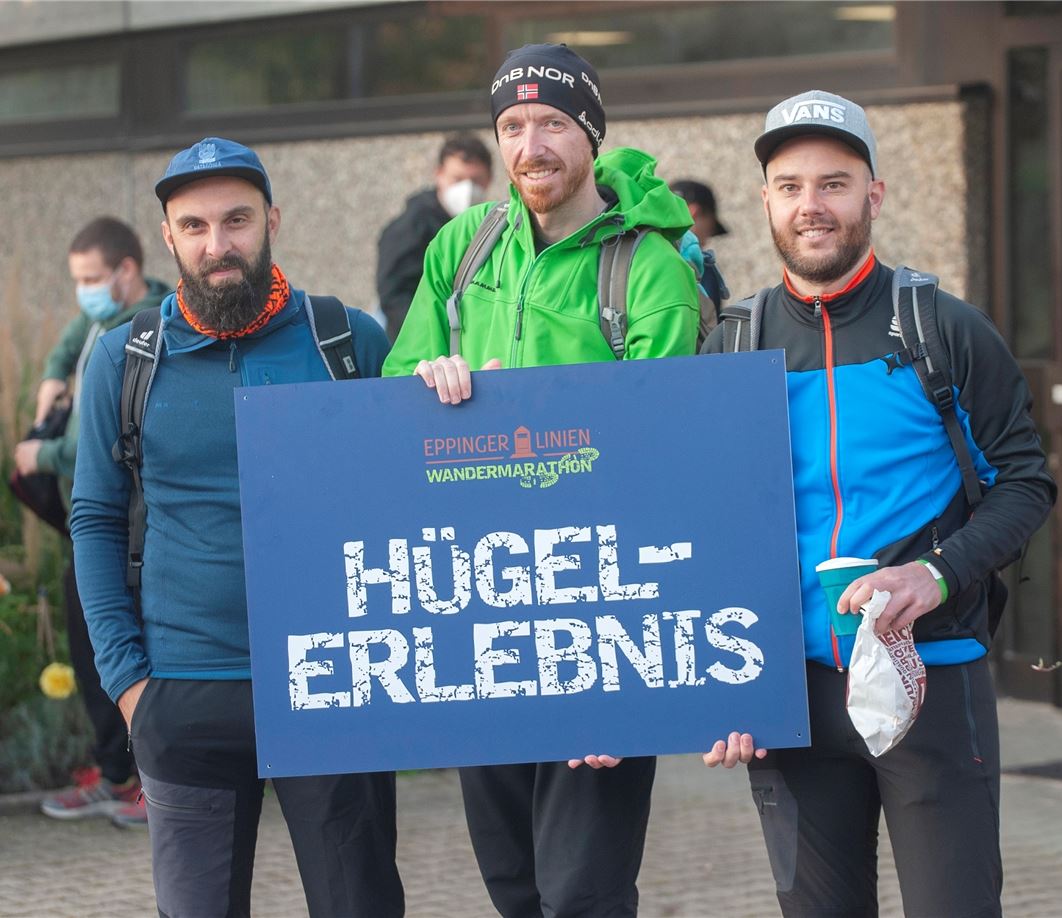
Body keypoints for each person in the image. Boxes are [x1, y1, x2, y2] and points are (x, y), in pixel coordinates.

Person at [701, 90, 1056, 917]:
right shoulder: (734, 342)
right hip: (790, 699)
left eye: (834, 183)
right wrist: (725, 682)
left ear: (874, 193)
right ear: (765, 202)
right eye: (789, 186)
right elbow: (706, 523)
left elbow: (1025, 482)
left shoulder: (944, 330)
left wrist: (936, 573)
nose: (810, 205)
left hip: (931, 678)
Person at [383, 43, 699, 918]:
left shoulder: (649, 270)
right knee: (515, 888)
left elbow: (667, 459)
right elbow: (394, 399)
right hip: (482, 608)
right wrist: (427, 384)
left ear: (591, 133)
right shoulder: (462, 246)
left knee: (582, 895)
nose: (531, 145)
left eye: (553, 123)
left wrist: (620, 674)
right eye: (513, 126)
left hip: (594, 613)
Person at [69, 137, 404, 917]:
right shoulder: (125, 360)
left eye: (236, 221)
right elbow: (93, 521)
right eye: (194, 226)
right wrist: (128, 687)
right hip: (183, 691)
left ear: (273, 221)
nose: (217, 246)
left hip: (333, 690)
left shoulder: (347, 342)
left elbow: (404, 501)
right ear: (168, 238)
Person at [15, 217, 170, 827]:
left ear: (126, 272)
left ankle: (143, 778)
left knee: (113, 644)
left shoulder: (141, 327)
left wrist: (40, 455)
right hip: (91, 515)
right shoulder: (104, 317)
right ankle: (116, 772)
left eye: (90, 280)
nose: (83, 293)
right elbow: (72, 335)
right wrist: (53, 372)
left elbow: (96, 443)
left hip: (122, 519)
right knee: (90, 647)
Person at [376, 134, 493, 341]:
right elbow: (394, 297)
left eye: (475, 180)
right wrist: (429, 340)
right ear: (439, 174)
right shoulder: (411, 227)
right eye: (457, 179)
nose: (466, 189)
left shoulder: (491, 224)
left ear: (489, 180)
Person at [670, 179, 731, 316]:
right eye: (710, 229)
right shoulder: (700, 267)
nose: (707, 240)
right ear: (694, 212)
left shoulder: (644, 252)